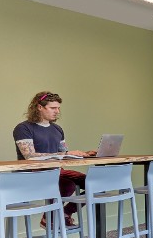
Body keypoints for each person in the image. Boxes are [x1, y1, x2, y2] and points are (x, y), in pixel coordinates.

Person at [12, 91, 96, 225]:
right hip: (32, 174)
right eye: (53, 108)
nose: (57, 111)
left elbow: (63, 153)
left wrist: (82, 154)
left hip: (56, 171)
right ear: (39, 107)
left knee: (96, 182)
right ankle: (49, 217)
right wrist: (62, 155)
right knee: (67, 185)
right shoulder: (23, 128)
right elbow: (30, 156)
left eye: (58, 108)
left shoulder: (57, 129)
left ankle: (65, 212)